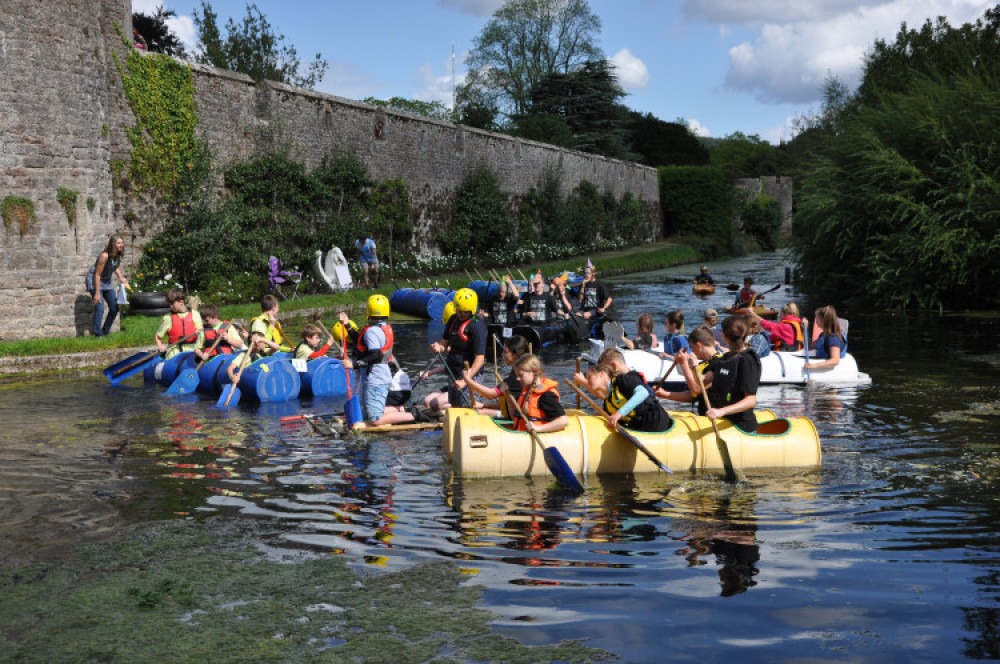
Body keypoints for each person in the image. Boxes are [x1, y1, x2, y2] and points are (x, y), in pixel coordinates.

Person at [665, 317, 762, 433]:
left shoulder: (748, 359)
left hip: (741, 427)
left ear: (725, 337)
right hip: (724, 423)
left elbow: (751, 400)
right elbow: (702, 382)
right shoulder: (725, 359)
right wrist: (693, 367)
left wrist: (722, 411)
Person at [574, 347, 673, 432]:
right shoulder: (610, 395)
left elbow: (643, 393)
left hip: (655, 421)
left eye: (605, 368)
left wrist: (618, 415)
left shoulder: (624, 379)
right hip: (639, 424)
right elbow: (605, 401)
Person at [429, 288, 487, 410]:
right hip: (454, 370)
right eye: (458, 310)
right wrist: (438, 347)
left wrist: (466, 381)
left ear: (471, 310)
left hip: (470, 373)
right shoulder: (453, 319)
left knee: (467, 407)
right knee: (454, 405)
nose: (460, 314)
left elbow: (480, 358)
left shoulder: (477, 325)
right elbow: (444, 342)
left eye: (464, 312)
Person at [340, 294, 395, 424]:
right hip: (379, 377)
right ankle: (400, 410)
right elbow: (361, 340)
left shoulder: (372, 331)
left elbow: (375, 355)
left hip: (376, 379)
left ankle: (411, 415)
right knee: (368, 413)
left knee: (375, 420)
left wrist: (354, 365)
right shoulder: (382, 328)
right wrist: (347, 325)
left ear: (368, 312)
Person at [463, 334, 530, 419]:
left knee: (478, 414)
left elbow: (490, 395)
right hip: (508, 411)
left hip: (515, 417)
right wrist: (485, 405)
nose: (502, 355)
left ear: (516, 355)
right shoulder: (517, 372)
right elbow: (506, 403)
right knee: (480, 410)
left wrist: (468, 380)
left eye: (505, 352)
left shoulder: (517, 378)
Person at [655, 326, 722, 401]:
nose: (692, 351)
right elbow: (693, 396)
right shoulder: (704, 363)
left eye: (692, 347)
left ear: (698, 346)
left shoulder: (720, 364)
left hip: (714, 411)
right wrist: (665, 394)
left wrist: (683, 363)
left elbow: (696, 389)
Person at [508, 354, 568, 433]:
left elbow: (563, 421)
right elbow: (516, 417)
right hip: (521, 434)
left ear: (533, 372)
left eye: (521, 375)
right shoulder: (527, 391)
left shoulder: (546, 396)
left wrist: (538, 428)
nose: (517, 379)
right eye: (517, 375)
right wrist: (508, 397)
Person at [88, 235, 129, 337]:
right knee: (100, 307)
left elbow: (116, 267)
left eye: (122, 243)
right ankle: (98, 334)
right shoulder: (105, 255)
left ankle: (105, 331)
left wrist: (122, 279)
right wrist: (97, 293)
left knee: (114, 308)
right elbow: (97, 275)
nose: (121, 245)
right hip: (95, 281)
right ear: (113, 244)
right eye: (119, 243)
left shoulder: (118, 255)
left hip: (107, 282)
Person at [154, 288, 203, 360]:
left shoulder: (195, 314)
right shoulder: (168, 317)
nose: (170, 306)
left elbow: (202, 334)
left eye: (172, 303)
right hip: (174, 354)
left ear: (181, 302)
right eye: (169, 304)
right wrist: (160, 346)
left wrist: (200, 333)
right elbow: (157, 337)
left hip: (192, 352)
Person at [804, 305, 846, 371]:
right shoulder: (824, 335)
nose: (815, 320)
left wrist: (815, 366)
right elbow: (809, 347)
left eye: (816, 318)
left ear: (822, 320)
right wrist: (806, 328)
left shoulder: (833, 337)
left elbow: (835, 360)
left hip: (828, 371)